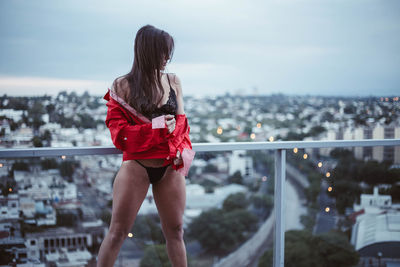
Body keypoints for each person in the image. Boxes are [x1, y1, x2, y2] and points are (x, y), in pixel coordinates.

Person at [97, 25, 194, 267]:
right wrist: (159, 126)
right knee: (118, 232)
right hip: (137, 166)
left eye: (168, 52)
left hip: (169, 166)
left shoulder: (173, 81)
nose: (167, 58)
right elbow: (119, 135)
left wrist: (176, 136)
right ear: (148, 51)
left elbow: (183, 126)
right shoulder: (122, 86)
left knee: (176, 231)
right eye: (163, 52)